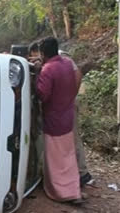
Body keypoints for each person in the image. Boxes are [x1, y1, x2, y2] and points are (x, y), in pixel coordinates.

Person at [29, 41, 92, 187]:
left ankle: (82, 174)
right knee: (65, 141)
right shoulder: (59, 60)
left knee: (71, 139)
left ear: (40, 52)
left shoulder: (60, 60)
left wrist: (69, 97)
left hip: (65, 104)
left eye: (35, 55)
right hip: (65, 103)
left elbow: (77, 75)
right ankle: (71, 174)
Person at [36, 37, 82, 203]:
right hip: (67, 116)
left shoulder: (48, 69)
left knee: (55, 160)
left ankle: (62, 193)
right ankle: (74, 189)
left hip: (53, 120)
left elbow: (43, 95)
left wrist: (36, 77)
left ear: (42, 53)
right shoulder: (67, 64)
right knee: (68, 157)